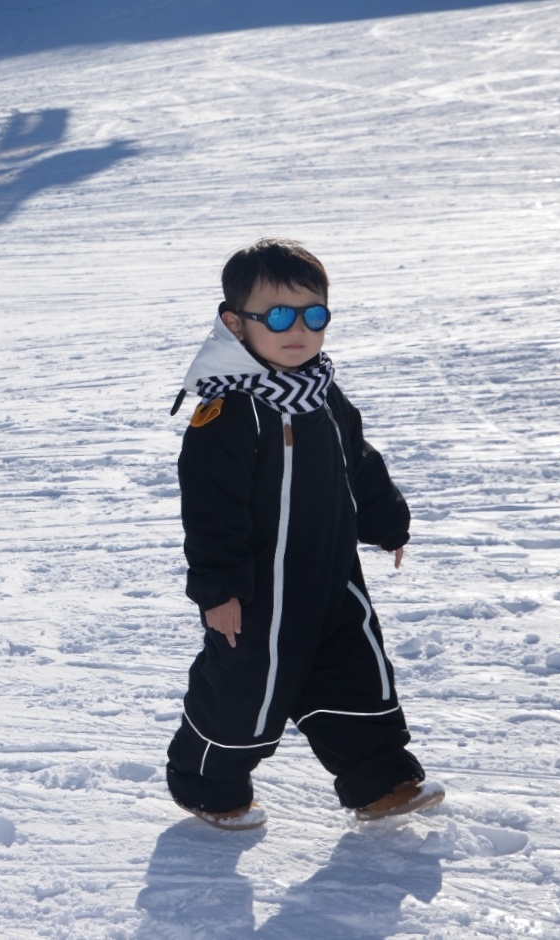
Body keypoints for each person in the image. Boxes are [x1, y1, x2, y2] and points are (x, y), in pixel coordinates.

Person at [164, 238, 443, 830]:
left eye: (314, 314)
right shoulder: (229, 411)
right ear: (235, 323)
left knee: (359, 674)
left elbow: (358, 464)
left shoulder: (321, 392)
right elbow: (211, 507)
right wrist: (218, 590)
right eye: (280, 317)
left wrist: (387, 519)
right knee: (245, 696)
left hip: (332, 577)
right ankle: (207, 785)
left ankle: (380, 781)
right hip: (256, 593)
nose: (300, 331)